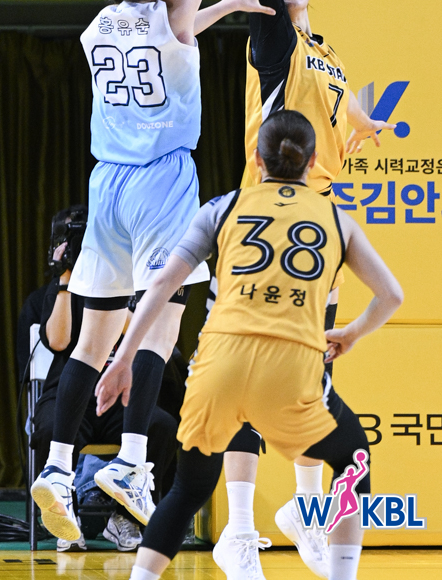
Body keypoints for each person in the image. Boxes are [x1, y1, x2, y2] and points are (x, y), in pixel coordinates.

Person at [30, 0, 264, 543]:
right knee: (161, 324)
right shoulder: (173, 14)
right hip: (164, 181)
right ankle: (131, 462)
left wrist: (227, 5)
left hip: (107, 187)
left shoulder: (97, 27)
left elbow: (183, 24)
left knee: (91, 342)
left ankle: (56, 467)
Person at [192, 0, 396, 578]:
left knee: (311, 375)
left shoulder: (327, 52)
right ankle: (241, 530)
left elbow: (343, 114)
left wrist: (366, 125)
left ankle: (302, 512)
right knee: (253, 366)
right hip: (262, 215)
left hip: (319, 216)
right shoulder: (273, 40)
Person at [96, 110, 403, 580]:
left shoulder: (222, 207)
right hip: (290, 369)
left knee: (188, 489)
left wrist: (122, 360)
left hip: (218, 364)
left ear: (257, 160)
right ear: (313, 161)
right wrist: (351, 333)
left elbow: (159, 286)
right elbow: (391, 295)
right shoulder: (336, 219)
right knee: (353, 458)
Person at [31, 220, 179, 552]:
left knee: (162, 426)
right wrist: (65, 279)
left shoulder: (139, 283)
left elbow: (147, 335)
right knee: (49, 428)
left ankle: (125, 518)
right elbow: (58, 340)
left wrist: (114, 296)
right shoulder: (69, 286)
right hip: (73, 396)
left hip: (122, 396)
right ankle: (65, 513)